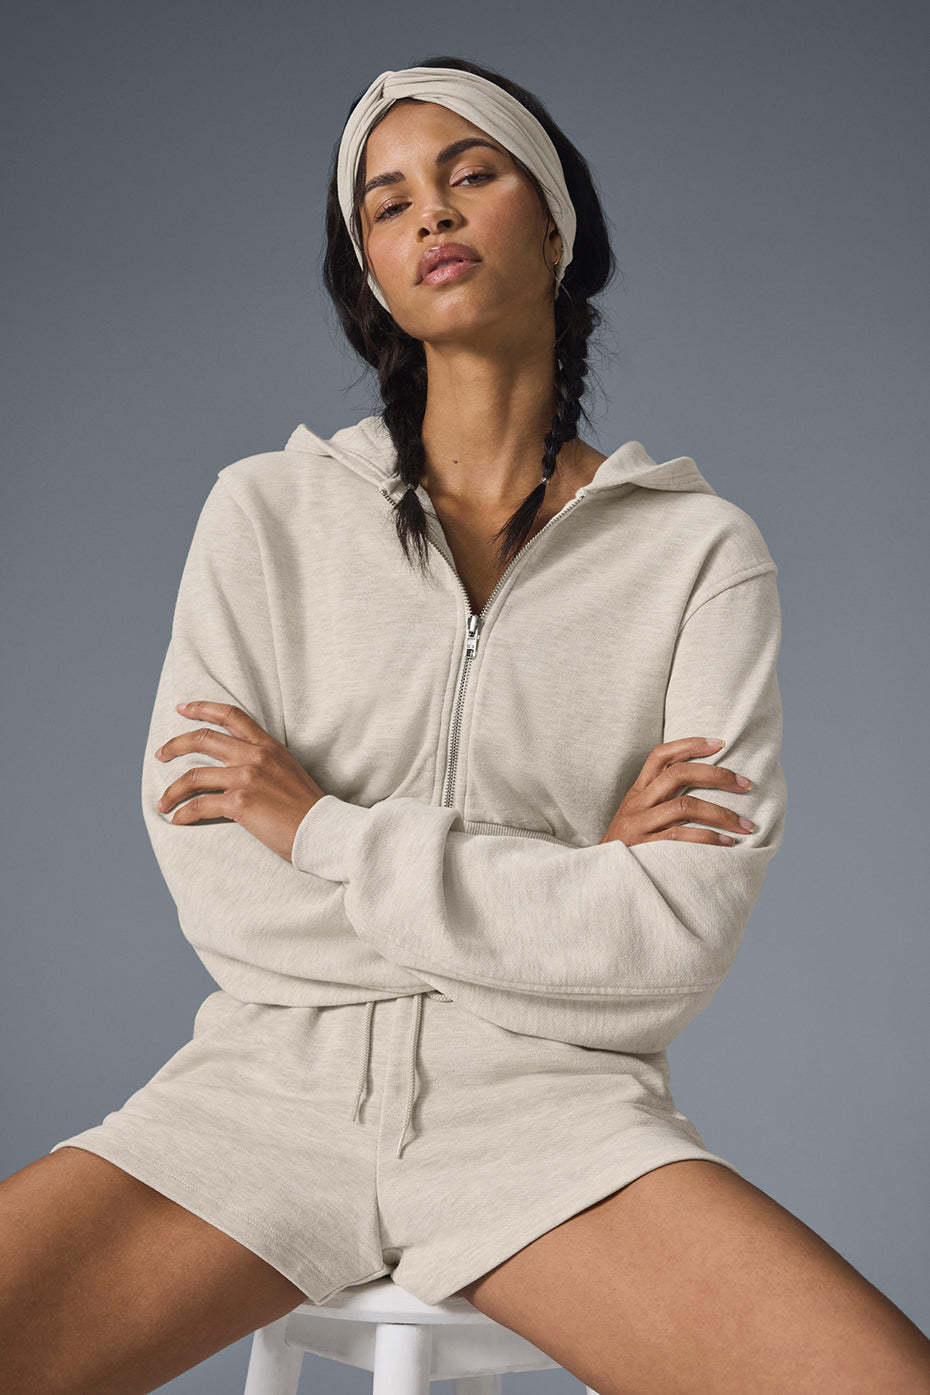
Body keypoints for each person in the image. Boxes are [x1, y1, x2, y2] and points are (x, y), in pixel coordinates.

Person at [3, 54, 929, 1395]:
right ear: (373, 277)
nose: (430, 212)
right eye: (387, 204)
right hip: (259, 1106)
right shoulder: (265, 517)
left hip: (551, 1121)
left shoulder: (696, 556)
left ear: (555, 228)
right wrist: (572, 883)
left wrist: (317, 826)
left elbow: (666, 946)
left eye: (470, 174)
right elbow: (230, 901)